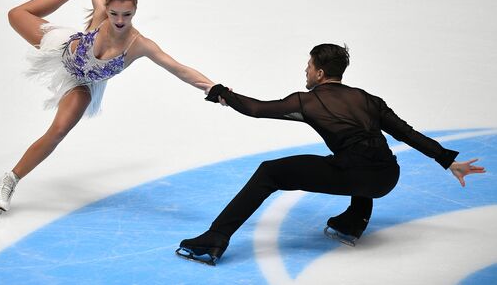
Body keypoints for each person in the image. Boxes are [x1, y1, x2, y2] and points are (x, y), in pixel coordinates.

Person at [176, 43, 485, 265]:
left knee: (270, 172)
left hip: (355, 173)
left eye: (308, 66)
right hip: (387, 178)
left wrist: (221, 93)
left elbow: (256, 109)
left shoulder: (307, 101)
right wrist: (448, 161)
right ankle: (352, 221)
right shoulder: (368, 99)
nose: (305, 71)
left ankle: (214, 238)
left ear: (320, 72)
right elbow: (407, 133)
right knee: (357, 157)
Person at [0, 0, 216, 216]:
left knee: (58, 131)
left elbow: (179, 69)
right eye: (114, 13)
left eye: (126, 15)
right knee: (16, 14)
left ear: (135, 11)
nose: (119, 21)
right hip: (62, 50)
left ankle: (10, 179)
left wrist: (215, 88)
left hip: (82, 83)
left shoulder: (140, 45)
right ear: (107, 8)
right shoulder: (99, 14)